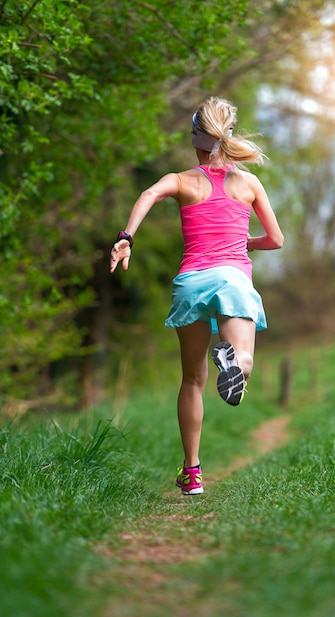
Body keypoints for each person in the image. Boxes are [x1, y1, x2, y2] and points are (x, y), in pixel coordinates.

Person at [110, 96, 284, 495]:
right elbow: (276, 240)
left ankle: (192, 474)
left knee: (192, 379)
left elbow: (148, 195)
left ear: (195, 140)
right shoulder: (249, 183)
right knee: (245, 360)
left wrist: (126, 238)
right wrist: (247, 243)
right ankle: (232, 358)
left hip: (191, 282)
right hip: (232, 279)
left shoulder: (181, 180)